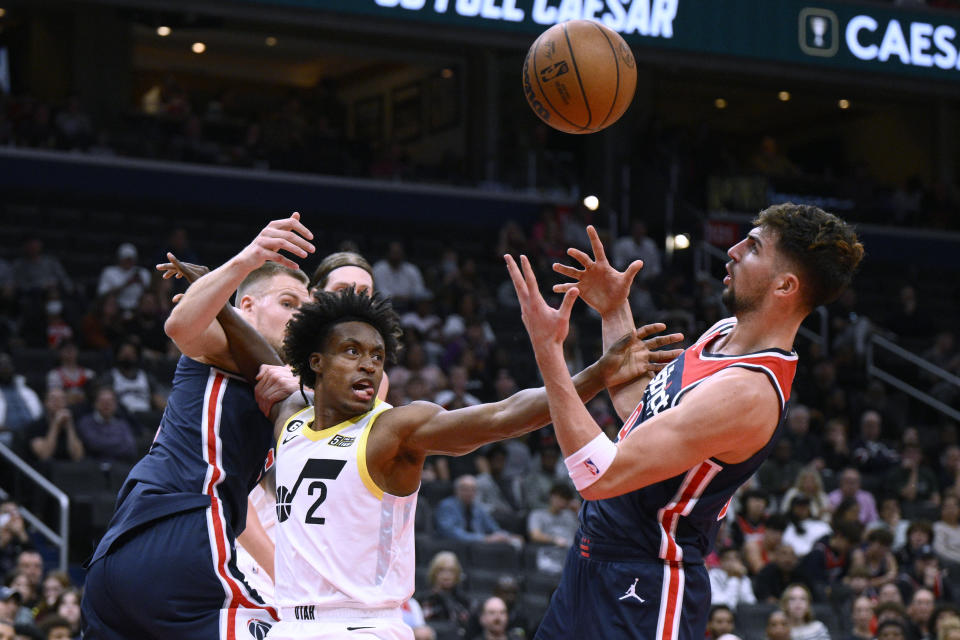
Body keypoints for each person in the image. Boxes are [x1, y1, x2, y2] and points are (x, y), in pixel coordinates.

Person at [233, 284, 670, 639]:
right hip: (286, 624)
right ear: (316, 362)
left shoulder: (393, 430)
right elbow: (255, 354)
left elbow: (502, 416)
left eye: (377, 356)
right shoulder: (291, 418)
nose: (368, 365)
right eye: (352, 351)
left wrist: (594, 373)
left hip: (361, 627)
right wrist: (215, 294)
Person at [508, 205, 863, 640]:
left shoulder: (748, 392)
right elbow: (639, 412)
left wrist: (548, 352)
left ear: (785, 285)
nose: (730, 251)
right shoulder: (723, 333)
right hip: (593, 559)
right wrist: (614, 310)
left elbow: (601, 475)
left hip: (647, 586)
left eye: (751, 247)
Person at [81, 213, 316, 640]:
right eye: (288, 303)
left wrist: (287, 577)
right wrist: (248, 259)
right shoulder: (226, 345)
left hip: (119, 555)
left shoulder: (279, 383)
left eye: (307, 310)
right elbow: (180, 325)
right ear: (246, 306)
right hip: (185, 536)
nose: (300, 317)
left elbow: (242, 518)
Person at [74, 387, 136, 463]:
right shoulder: (85, 422)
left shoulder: (122, 424)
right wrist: (118, 443)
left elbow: (130, 448)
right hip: (94, 466)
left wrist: (104, 446)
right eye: (103, 401)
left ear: (116, 405)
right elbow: (94, 444)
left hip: (119, 466)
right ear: (95, 403)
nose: (106, 405)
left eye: (110, 402)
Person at [420, 551, 473, 632]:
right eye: (441, 570)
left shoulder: (464, 601)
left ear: (457, 574)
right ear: (434, 573)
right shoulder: (424, 600)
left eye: (451, 570)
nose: (446, 575)